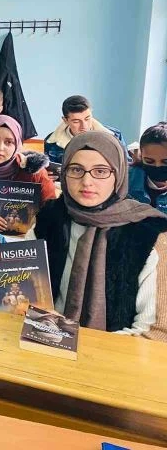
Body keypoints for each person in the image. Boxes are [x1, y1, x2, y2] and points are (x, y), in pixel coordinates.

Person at [30, 131, 167, 339]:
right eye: (76, 169)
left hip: (114, 354)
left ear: (118, 174)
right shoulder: (48, 218)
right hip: (42, 341)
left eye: (101, 171)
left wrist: (72, 339)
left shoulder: (150, 233)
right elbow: (21, 296)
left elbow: (154, 333)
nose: (87, 181)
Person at [44, 95, 126, 166]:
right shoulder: (52, 142)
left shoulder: (115, 136)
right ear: (65, 120)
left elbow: (126, 167)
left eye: (87, 119)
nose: (84, 126)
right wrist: (48, 176)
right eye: (76, 121)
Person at [129, 122, 167, 214]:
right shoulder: (127, 179)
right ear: (141, 156)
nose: (157, 166)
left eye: (165, 162)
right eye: (149, 161)